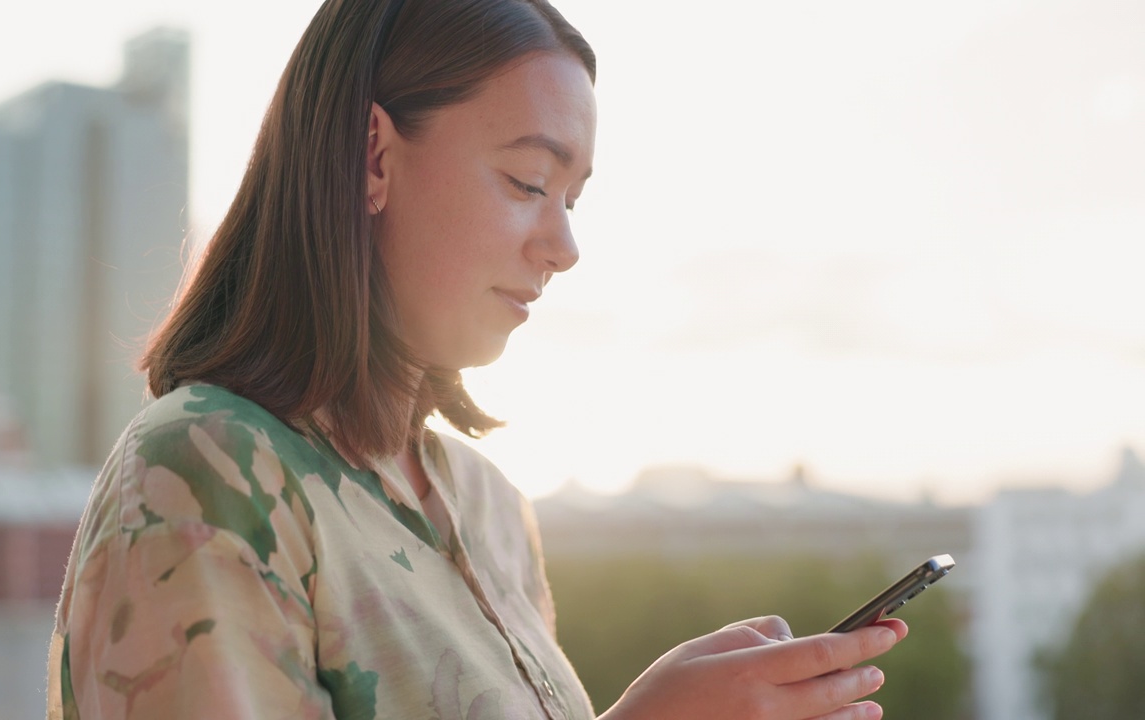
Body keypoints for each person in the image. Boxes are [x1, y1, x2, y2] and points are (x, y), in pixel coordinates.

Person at [46, 0, 908, 718]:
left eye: (574, 200)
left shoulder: (493, 511)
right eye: (531, 182)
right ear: (371, 157)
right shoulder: (210, 469)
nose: (564, 245)